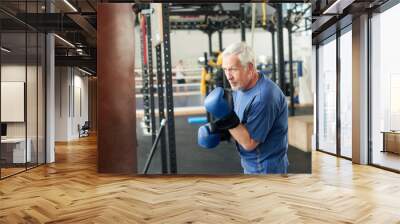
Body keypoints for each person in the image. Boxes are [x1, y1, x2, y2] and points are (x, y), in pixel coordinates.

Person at [198, 42, 289, 174]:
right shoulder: (241, 86)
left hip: (265, 169)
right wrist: (220, 129)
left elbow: (249, 143)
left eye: (233, 69)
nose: (228, 76)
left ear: (250, 67)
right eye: (225, 69)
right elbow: (242, 123)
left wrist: (227, 118)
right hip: (252, 164)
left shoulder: (263, 97)